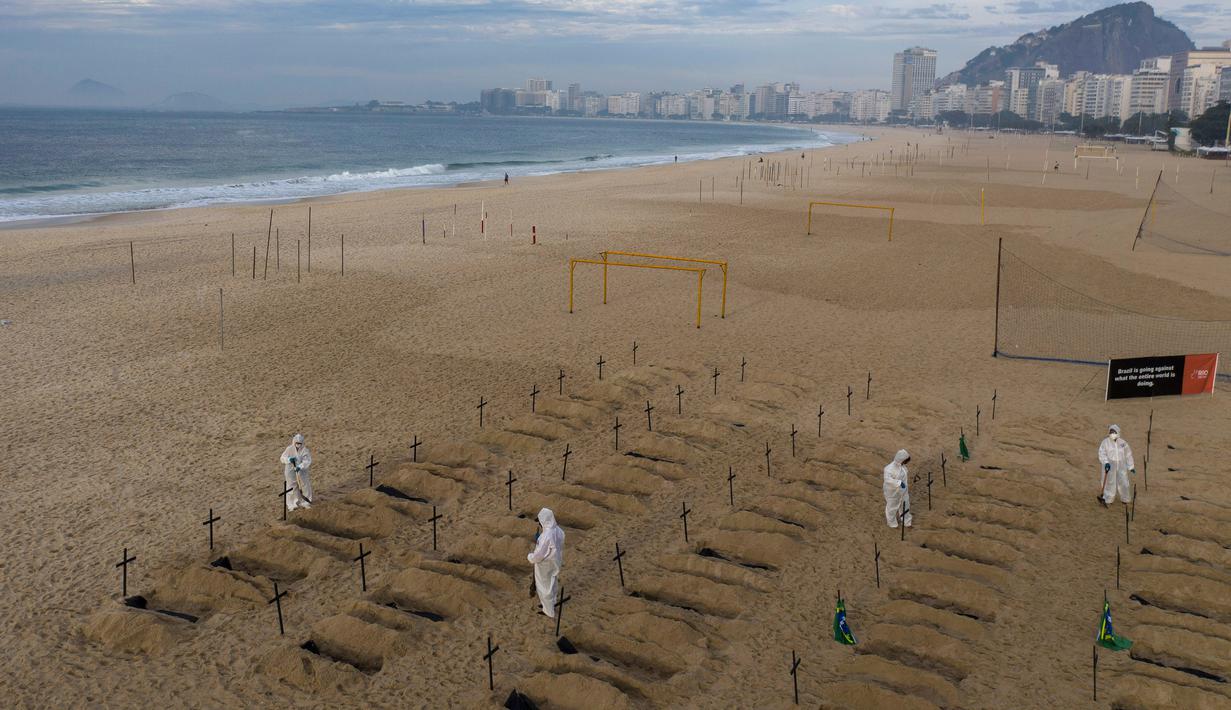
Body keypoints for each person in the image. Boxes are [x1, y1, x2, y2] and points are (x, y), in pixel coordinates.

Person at [527, 507, 564, 617]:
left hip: (545, 564)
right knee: (552, 582)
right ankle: (551, 603)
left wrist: (530, 557)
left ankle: (548, 611)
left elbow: (539, 555)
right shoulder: (558, 530)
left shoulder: (546, 536)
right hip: (555, 560)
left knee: (544, 586)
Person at [1098, 425, 1135, 507]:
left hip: (1121, 466)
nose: (1112, 434)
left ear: (1118, 433)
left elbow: (1128, 454)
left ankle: (1125, 498)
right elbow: (1102, 453)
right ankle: (1108, 499)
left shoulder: (1123, 443)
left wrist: (1131, 466)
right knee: (1109, 482)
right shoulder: (1105, 442)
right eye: (1111, 432)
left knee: (1124, 482)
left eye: (1114, 432)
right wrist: (1106, 462)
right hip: (1110, 466)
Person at [279, 433, 313, 511]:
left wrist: (300, 467)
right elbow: (282, 458)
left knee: (304, 485)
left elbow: (307, 461)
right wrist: (289, 459)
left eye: (299, 443)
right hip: (290, 470)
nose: (298, 445)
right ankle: (292, 504)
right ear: (294, 442)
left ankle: (306, 502)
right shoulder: (289, 449)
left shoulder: (305, 450)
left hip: (302, 471)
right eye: (297, 443)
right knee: (291, 486)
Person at [883, 449, 912, 528]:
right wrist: (899, 483)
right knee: (892, 508)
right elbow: (887, 479)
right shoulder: (888, 469)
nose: (906, 463)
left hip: (903, 491)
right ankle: (892, 523)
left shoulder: (902, 467)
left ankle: (907, 522)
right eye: (905, 461)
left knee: (905, 506)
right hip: (893, 492)